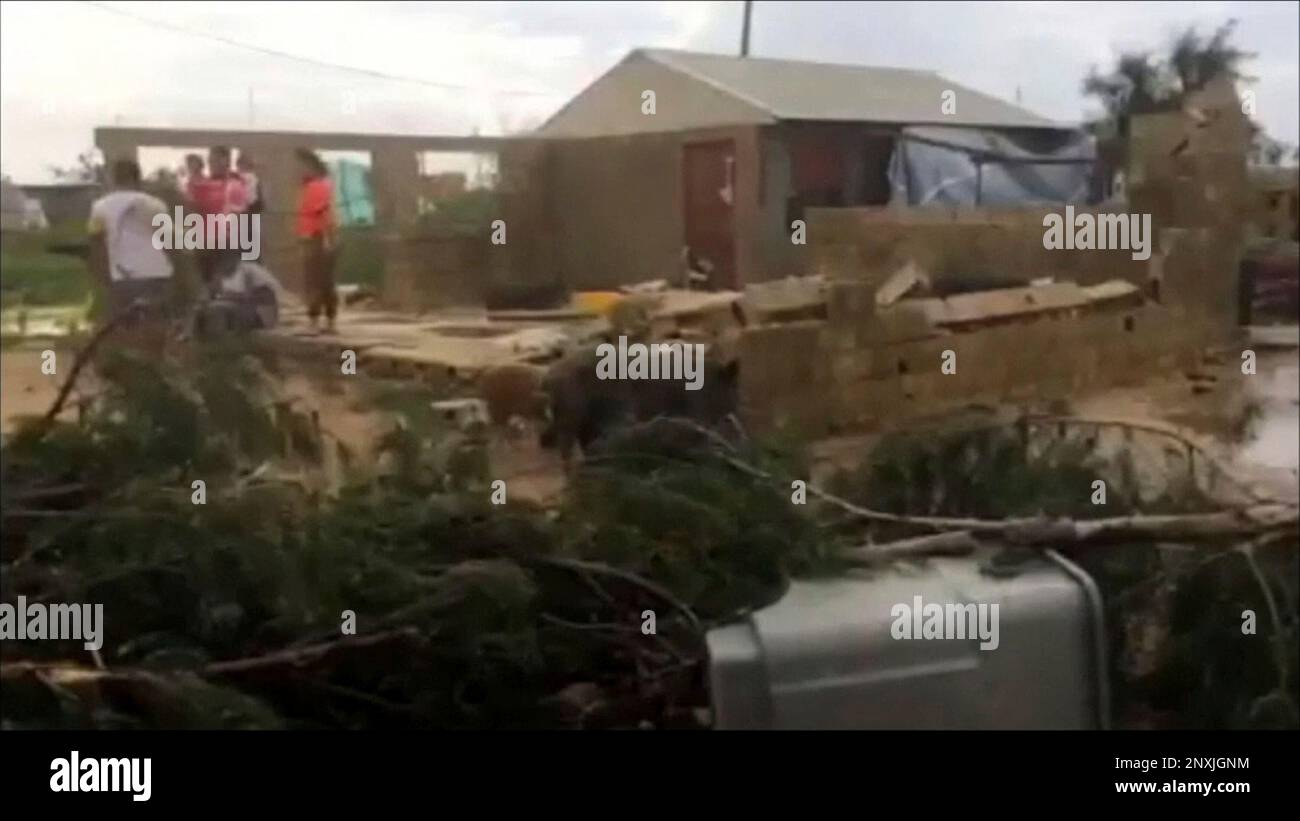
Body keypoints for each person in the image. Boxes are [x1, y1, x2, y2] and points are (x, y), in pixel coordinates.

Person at [87, 159, 175, 325]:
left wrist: (101, 277)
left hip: (122, 275)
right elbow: (168, 240)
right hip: (158, 271)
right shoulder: (156, 204)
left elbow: (96, 242)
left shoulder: (100, 207)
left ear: (113, 178)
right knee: (156, 323)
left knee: (125, 326)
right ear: (137, 178)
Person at [190, 146, 249, 288]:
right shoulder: (202, 185)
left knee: (224, 283)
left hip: (226, 242)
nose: (211, 164)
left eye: (215, 160)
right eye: (210, 161)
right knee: (204, 283)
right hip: (203, 242)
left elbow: (238, 214)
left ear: (226, 161)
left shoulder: (235, 185)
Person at [295, 148, 338, 333]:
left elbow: (323, 214)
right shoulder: (309, 187)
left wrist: (327, 238)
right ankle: (323, 319)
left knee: (318, 281)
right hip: (311, 237)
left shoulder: (318, 186)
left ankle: (320, 319)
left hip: (318, 238)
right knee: (318, 280)